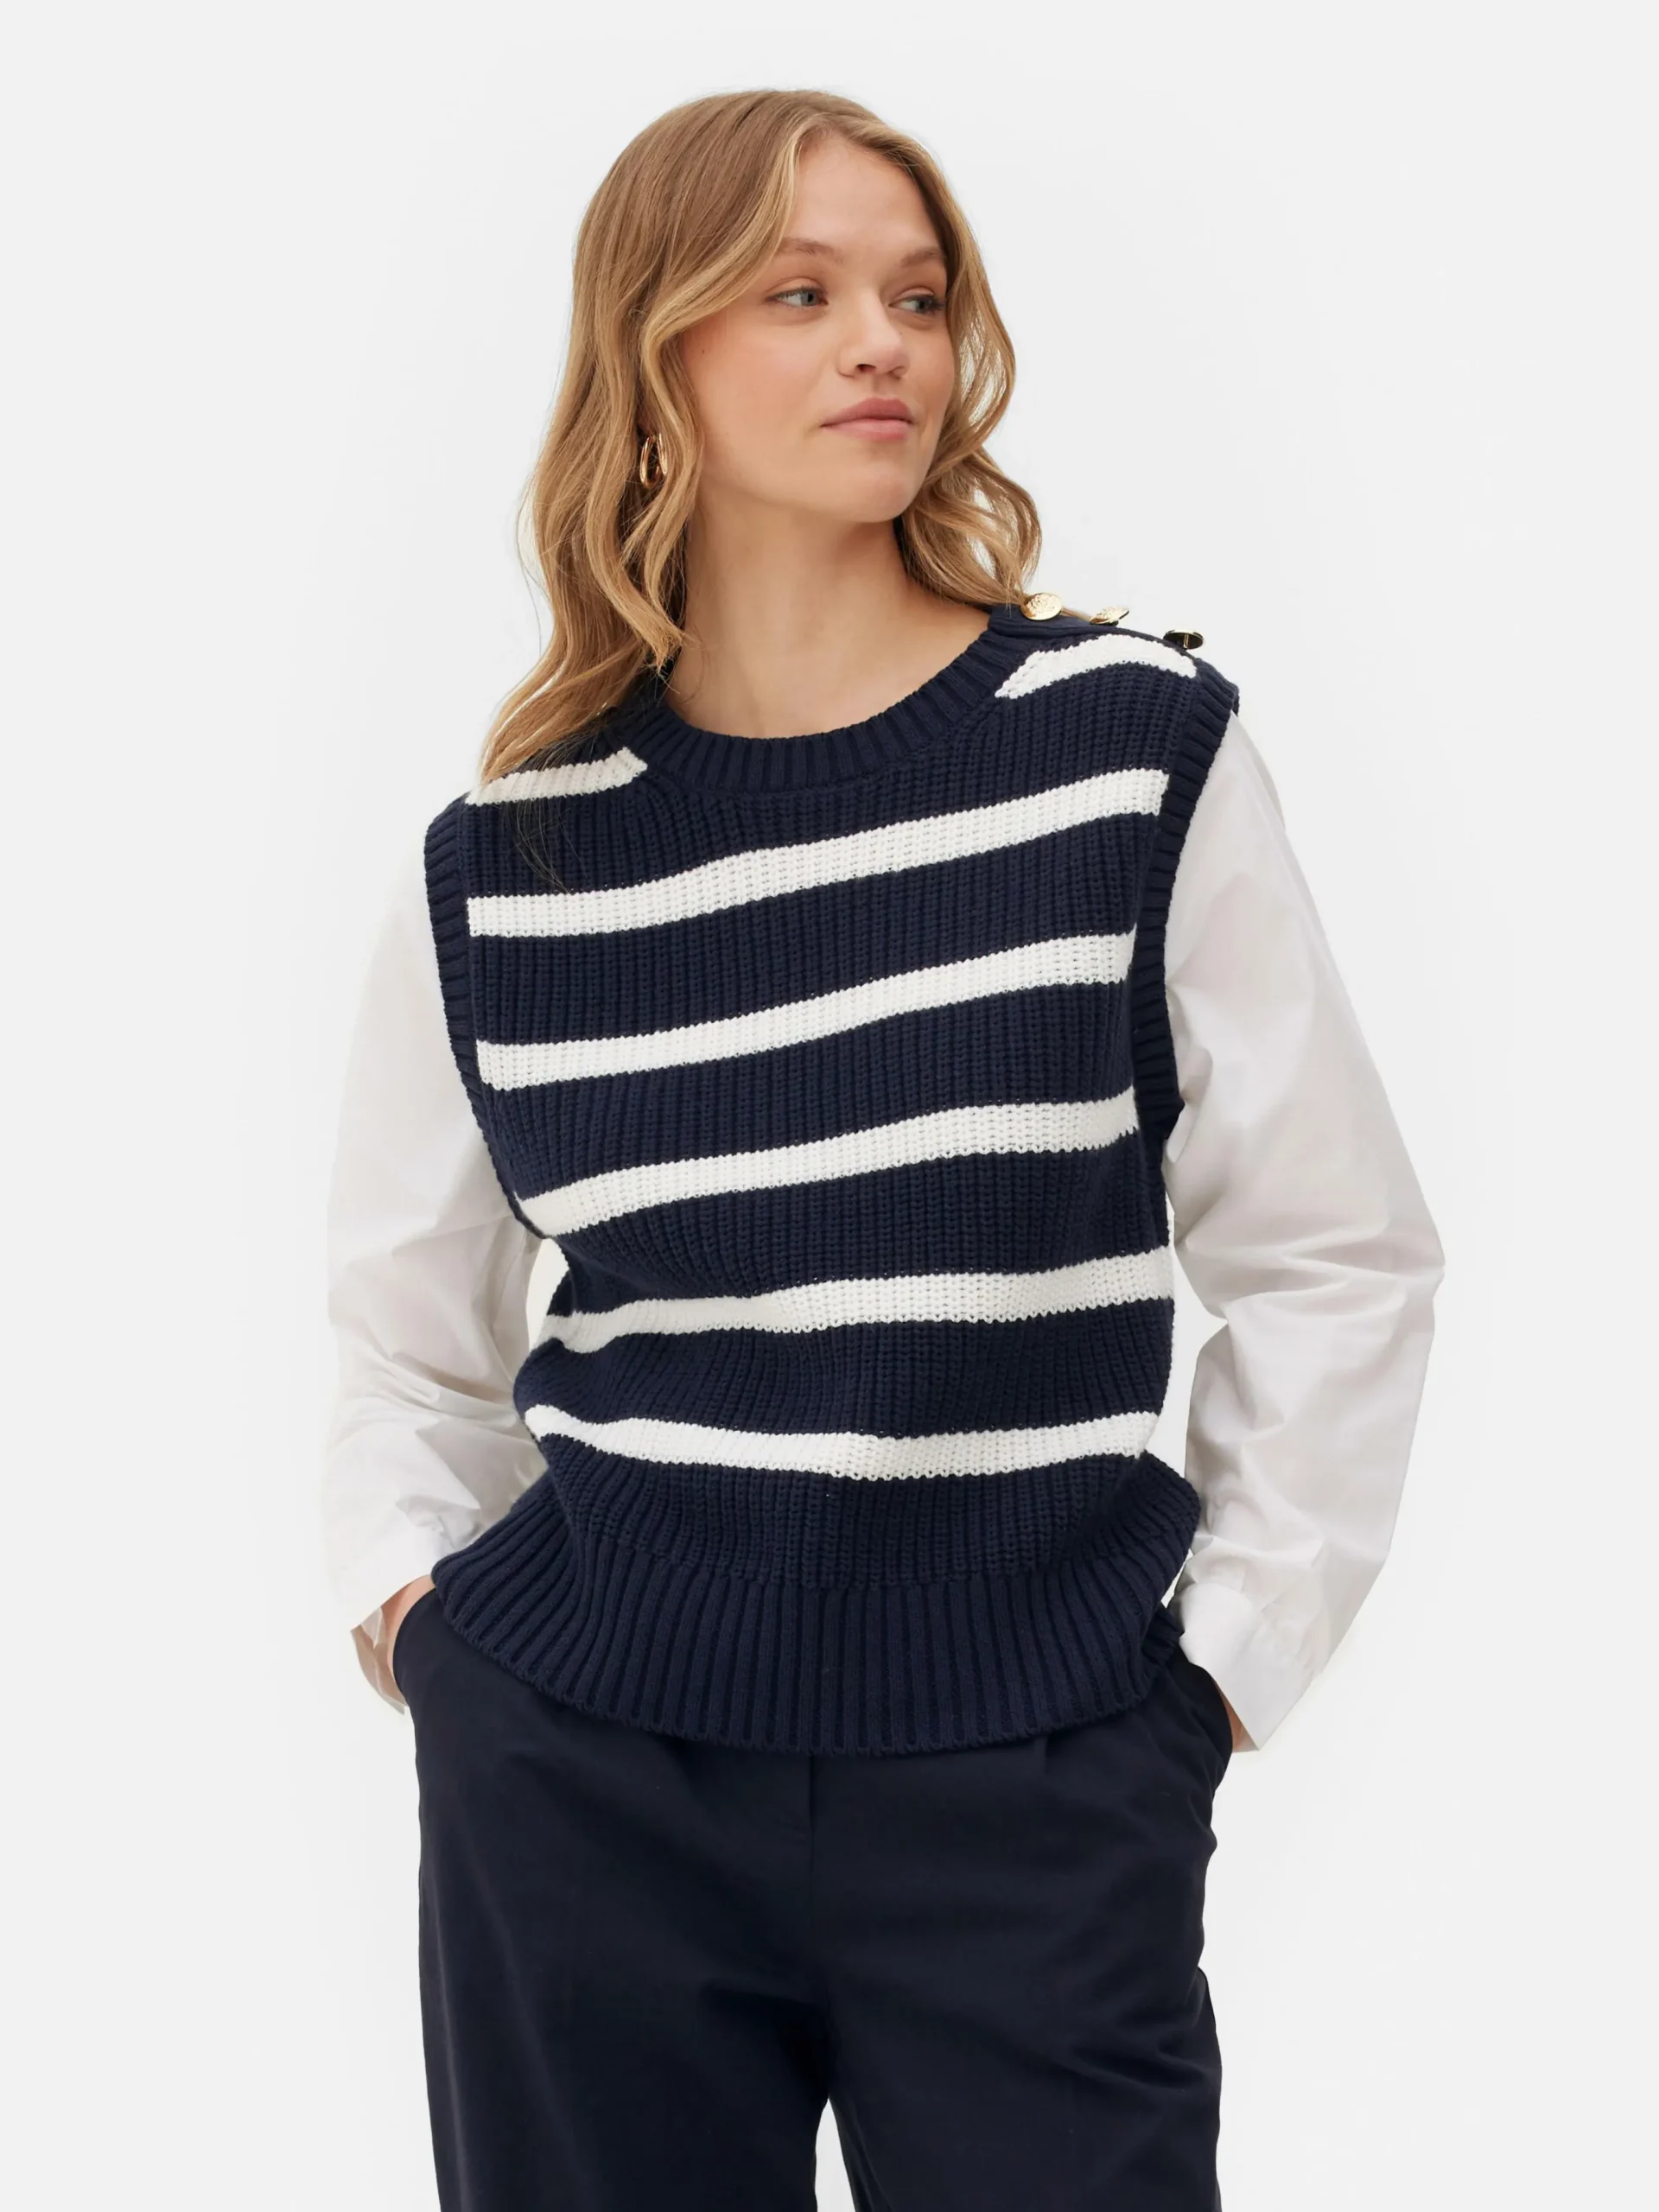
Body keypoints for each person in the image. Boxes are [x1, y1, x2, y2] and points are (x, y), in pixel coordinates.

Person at [321, 87, 1445, 2212]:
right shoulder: (506, 867)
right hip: (587, 1779)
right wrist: (431, 1638)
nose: (884, 346)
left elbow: (1336, 1253)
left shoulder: (1128, 760)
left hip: (1037, 1786)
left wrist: (1207, 1689)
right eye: (802, 292)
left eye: (920, 298)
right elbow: (404, 1342)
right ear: (653, 348)